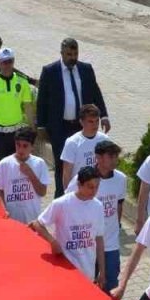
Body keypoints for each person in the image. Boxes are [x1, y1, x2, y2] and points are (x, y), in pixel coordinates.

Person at [37, 38, 110, 194]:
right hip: (60, 127)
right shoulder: (50, 71)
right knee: (62, 164)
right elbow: (42, 100)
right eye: (69, 54)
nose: (72, 57)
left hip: (83, 126)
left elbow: (96, 92)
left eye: (75, 54)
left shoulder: (86, 69)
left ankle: (87, 193)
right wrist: (41, 125)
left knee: (84, 162)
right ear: (62, 53)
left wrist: (103, 115)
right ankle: (61, 197)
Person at [30, 166, 106, 286]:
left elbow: (99, 239)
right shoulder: (61, 204)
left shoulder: (98, 206)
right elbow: (38, 224)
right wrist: (53, 241)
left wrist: (102, 270)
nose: (94, 191)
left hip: (88, 272)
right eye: (90, 186)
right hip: (64, 271)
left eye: (97, 187)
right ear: (79, 184)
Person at [69, 140, 125, 294]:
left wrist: (116, 226)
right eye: (111, 156)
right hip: (87, 243)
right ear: (98, 158)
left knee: (110, 284)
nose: (115, 160)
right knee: (85, 285)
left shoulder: (121, 179)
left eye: (116, 156)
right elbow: (70, 203)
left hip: (110, 242)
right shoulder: (83, 178)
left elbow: (119, 204)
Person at [0, 47, 34, 165]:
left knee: (17, 167)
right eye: (4, 62)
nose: (7, 65)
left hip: (17, 134)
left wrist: (32, 128)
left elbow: (28, 106)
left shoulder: (22, 81)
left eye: (10, 61)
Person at [0, 128, 49, 225]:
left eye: (25, 146)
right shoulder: (4, 163)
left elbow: (42, 192)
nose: (21, 149)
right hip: (11, 220)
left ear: (32, 147)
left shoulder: (39, 163)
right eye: (18, 145)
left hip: (32, 220)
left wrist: (30, 174)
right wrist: (3, 209)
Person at [59, 104, 111, 193]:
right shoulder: (72, 142)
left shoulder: (105, 140)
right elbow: (67, 173)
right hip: (79, 191)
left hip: (100, 190)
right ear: (81, 122)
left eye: (96, 121)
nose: (95, 125)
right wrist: (67, 195)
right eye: (90, 121)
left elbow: (109, 166)